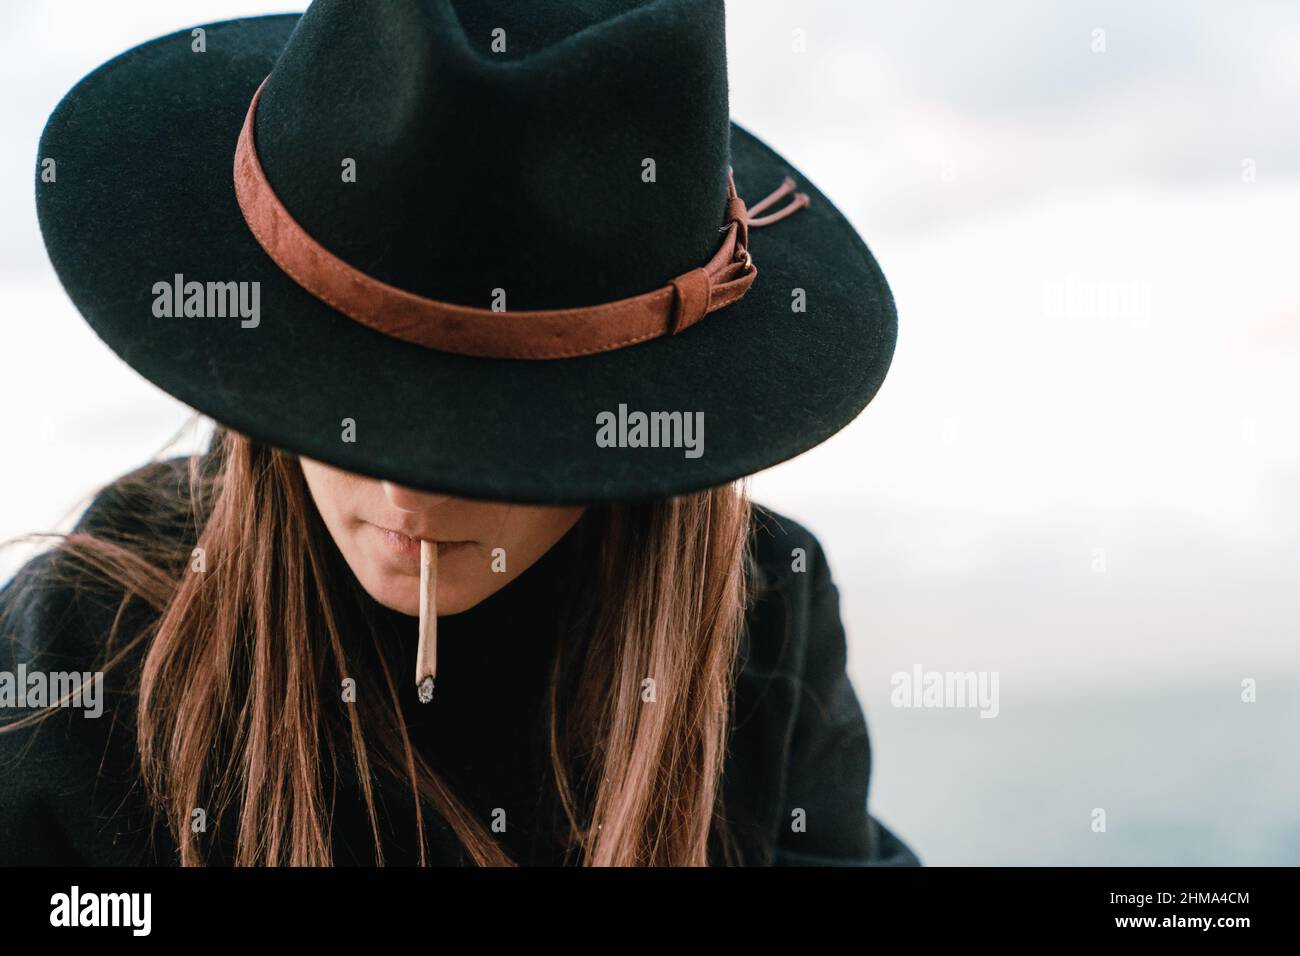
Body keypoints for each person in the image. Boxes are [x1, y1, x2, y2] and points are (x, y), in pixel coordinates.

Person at [1, 0, 914, 867]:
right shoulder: (84, 656)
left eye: (493, 430)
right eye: (358, 404)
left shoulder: (761, 622)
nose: (410, 491)